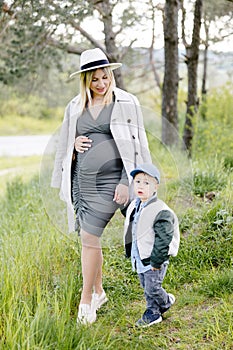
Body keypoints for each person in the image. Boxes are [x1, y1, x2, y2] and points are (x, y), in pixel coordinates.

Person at [51, 48, 151, 325]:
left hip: (111, 182)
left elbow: (134, 145)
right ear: (85, 80)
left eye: (105, 77)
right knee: (88, 237)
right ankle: (98, 291)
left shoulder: (126, 103)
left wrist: (125, 182)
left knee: (89, 236)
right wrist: (73, 145)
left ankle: (86, 301)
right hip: (81, 182)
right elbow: (65, 141)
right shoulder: (74, 106)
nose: (101, 83)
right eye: (94, 79)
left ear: (111, 75)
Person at [124, 163, 180, 327]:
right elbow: (132, 228)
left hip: (154, 258)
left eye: (146, 183)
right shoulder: (135, 205)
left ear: (156, 187)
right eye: (138, 182)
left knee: (152, 287)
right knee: (146, 285)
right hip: (140, 256)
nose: (141, 186)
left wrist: (157, 260)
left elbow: (164, 237)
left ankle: (161, 306)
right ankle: (158, 307)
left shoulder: (159, 210)